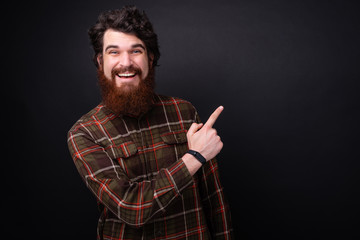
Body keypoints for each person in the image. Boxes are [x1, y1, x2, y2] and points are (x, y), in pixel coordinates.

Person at [67, 5, 233, 239]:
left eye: (136, 51)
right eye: (114, 52)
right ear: (100, 61)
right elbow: (131, 207)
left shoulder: (183, 112)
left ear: (150, 58)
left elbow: (214, 199)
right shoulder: (84, 133)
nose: (126, 62)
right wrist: (194, 157)